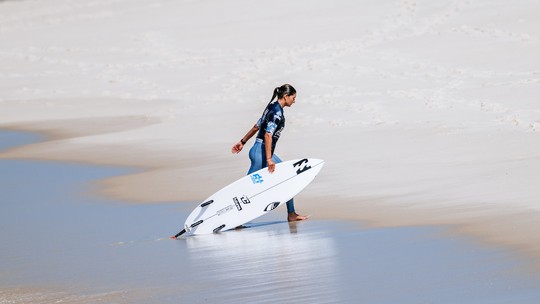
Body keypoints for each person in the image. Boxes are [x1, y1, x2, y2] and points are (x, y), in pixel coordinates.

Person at [232, 84, 308, 222]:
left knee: (288, 176)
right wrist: (268, 159)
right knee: (246, 189)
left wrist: (242, 141)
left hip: (260, 151)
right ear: (286, 96)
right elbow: (268, 135)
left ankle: (291, 213)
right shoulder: (277, 113)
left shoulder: (271, 107)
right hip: (261, 154)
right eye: (293, 97)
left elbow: (257, 126)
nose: (294, 101)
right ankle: (235, 218)